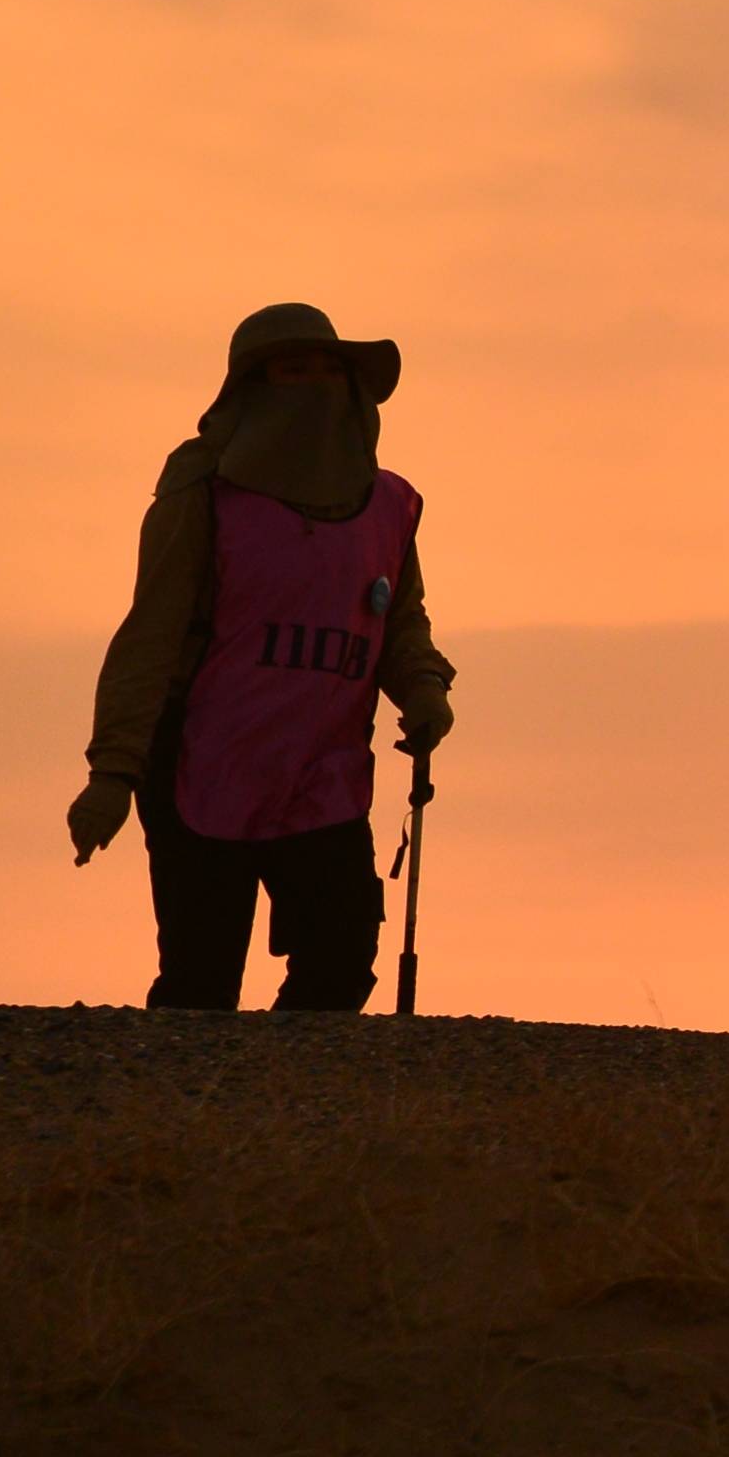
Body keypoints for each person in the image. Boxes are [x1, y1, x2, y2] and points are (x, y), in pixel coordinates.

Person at [66, 304, 456, 1013]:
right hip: (199, 765)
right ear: (253, 387)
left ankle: (293, 1111)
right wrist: (113, 772)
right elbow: (150, 636)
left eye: (327, 369)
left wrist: (424, 687)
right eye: (292, 370)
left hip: (325, 772)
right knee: (200, 983)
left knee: (340, 962)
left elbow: (399, 621)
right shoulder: (203, 497)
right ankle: (189, 1117)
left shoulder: (388, 507)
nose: (313, 384)